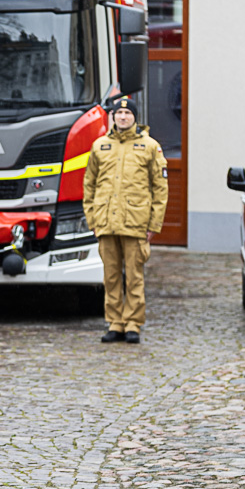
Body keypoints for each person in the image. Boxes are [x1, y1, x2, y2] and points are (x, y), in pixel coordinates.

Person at [82, 96, 168, 344]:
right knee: (110, 277)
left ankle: (132, 324)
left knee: (133, 276)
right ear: (113, 117)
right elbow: (89, 185)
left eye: (127, 113)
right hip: (106, 222)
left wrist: (154, 225)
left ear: (134, 117)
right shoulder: (100, 146)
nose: (122, 117)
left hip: (135, 222)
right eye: (119, 114)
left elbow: (160, 188)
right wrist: (93, 220)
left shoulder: (150, 147)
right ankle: (115, 323)